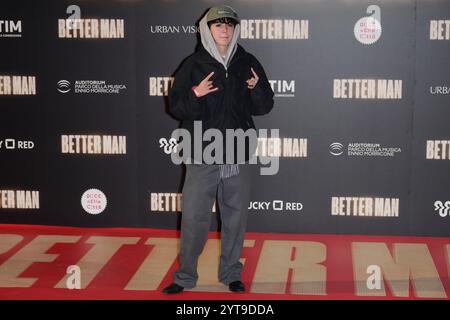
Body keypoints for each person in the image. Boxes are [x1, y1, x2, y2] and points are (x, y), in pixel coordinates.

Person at [163, 5, 274, 294]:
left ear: (235, 29)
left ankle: (231, 273)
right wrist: (195, 94)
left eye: (229, 25)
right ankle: (185, 277)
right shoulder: (194, 64)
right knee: (193, 217)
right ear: (207, 30)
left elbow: (264, 106)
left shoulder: (247, 62)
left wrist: (256, 88)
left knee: (235, 218)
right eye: (218, 25)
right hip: (203, 152)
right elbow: (176, 107)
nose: (224, 30)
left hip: (238, 150)